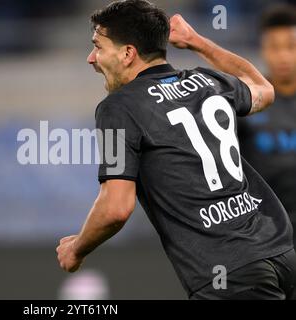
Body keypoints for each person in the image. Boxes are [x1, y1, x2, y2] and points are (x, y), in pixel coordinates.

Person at [56, 0, 296, 300]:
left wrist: (77, 248)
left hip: (231, 274)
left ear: (128, 53)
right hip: (281, 254)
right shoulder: (206, 81)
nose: (91, 58)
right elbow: (264, 88)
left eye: (99, 47)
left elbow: (115, 208)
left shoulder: (118, 108)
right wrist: (198, 42)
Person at [238, 5, 296, 245]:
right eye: (274, 46)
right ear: (263, 49)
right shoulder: (245, 103)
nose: (282, 56)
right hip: (265, 238)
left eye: (291, 46)